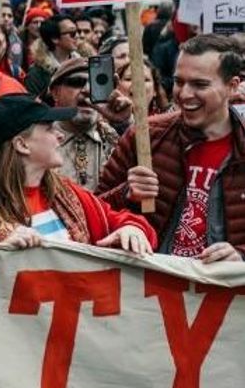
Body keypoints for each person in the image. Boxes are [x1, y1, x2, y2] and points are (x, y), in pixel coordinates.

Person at [97, 34, 245, 262]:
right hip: (152, 290)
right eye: (179, 81)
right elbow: (94, 210)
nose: (184, 94)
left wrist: (240, 255)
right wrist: (127, 194)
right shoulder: (146, 136)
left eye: (200, 84)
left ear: (232, 86)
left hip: (224, 294)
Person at [0, 94, 155, 254]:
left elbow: (127, 222)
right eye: (48, 128)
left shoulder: (66, 193)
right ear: (21, 144)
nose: (59, 134)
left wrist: (133, 229)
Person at [44, 57, 119, 191]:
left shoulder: (116, 139)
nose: (87, 90)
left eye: (96, 83)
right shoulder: (38, 140)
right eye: (77, 82)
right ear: (55, 93)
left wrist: (125, 122)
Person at [26, 14, 80, 96]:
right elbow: (33, 105)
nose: (77, 36)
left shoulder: (83, 65)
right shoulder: (37, 73)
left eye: (77, 32)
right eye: (72, 33)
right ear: (55, 38)